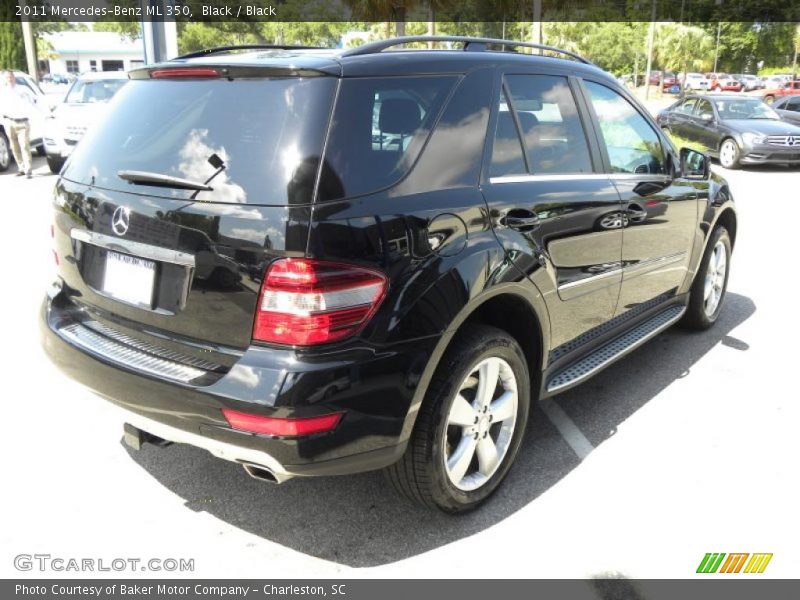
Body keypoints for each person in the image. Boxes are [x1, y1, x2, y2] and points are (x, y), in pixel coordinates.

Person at [1, 70, 36, 178]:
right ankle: (21, 168)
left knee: (24, 146)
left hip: (23, 122)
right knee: (14, 146)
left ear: (14, 78)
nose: (9, 79)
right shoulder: (3, 91)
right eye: (7, 78)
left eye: (11, 77)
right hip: (10, 122)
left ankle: (28, 169)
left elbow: (34, 99)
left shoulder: (22, 89)